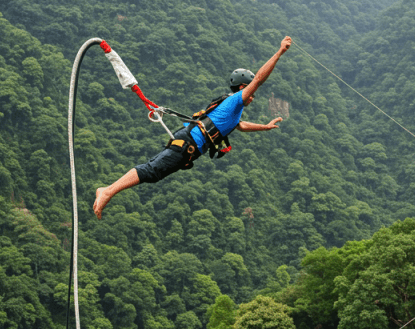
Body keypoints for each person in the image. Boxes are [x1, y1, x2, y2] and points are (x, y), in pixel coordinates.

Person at [93, 37, 292, 218]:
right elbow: (258, 79)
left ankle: (109, 190)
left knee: (154, 172)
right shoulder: (236, 101)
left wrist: (265, 127)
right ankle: (107, 191)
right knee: (152, 170)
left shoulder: (234, 110)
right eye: (251, 92)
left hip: (189, 145)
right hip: (188, 143)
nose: (253, 97)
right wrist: (280, 52)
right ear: (242, 88)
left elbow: (241, 126)